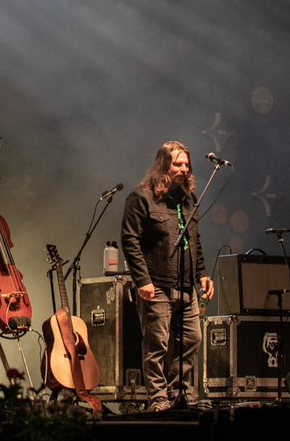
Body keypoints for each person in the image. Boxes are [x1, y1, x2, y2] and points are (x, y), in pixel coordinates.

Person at [120, 140, 215, 412]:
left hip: (185, 284)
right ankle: (159, 399)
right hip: (157, 283)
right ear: (164, 166)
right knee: (157, 344)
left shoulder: (188, 200)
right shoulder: (142, 197)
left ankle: (182, 393)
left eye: (187, 164)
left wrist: (203, 275)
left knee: (192, 339)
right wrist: (142, 280)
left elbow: (194, 241)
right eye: (178, 164)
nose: (184, 169)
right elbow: (129, 240)